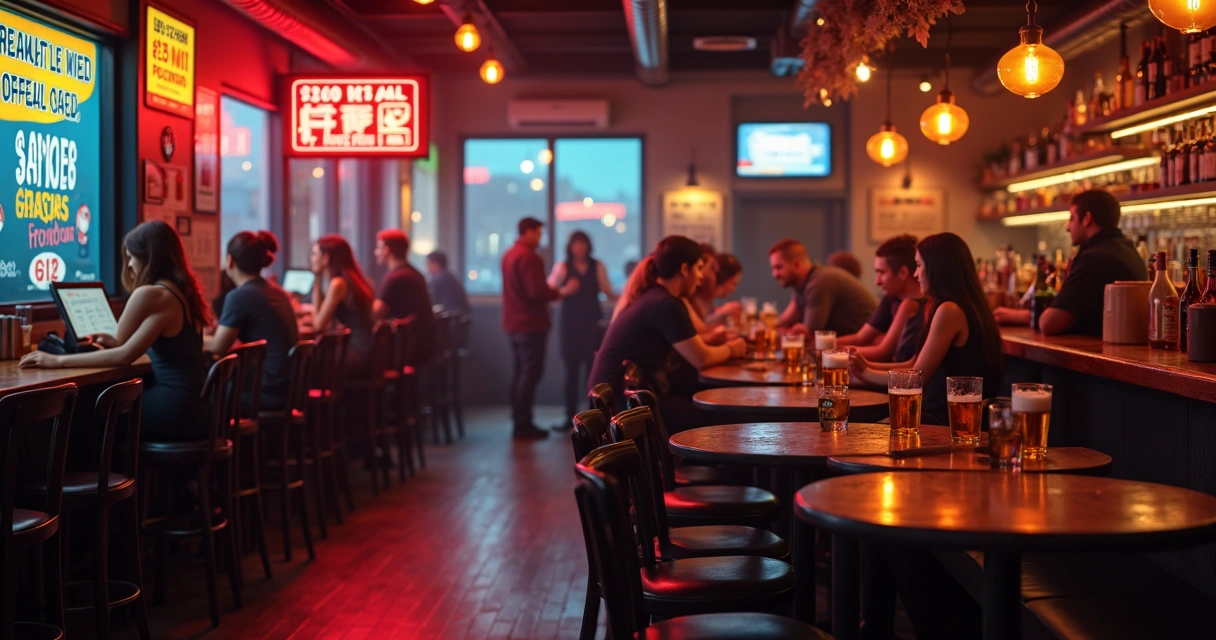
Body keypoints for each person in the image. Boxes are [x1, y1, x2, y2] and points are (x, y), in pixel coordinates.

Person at [20, 221, 211, 441]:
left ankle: (104, 476)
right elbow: (132, 344)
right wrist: (113, 342)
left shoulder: (152, 294)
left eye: (131, 257)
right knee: (97, 408)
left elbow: (124, 355)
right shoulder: (182, 292)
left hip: (176, 408)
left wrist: (56, 360)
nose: (129, 265)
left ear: (148, 257)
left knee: (86, 412)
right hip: (195, 406)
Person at [593, 236, 746, 431]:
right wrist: (733, 349)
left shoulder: (656, 297)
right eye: (699, 268)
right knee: (721, 417)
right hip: (625, 406)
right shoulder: (667, 304)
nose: (700, 278)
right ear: (684, 270)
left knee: (717, 403)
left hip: (626, 398)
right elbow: (702, 358)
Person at [849, 232, 1003, 425]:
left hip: (950, 422)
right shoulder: (964, 306)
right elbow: (913, 364)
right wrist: (866, 366)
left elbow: (916, 381)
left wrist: (865, 373)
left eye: (919, 265)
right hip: (948, 416)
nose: (915, 274)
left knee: (859, 430)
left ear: (937, 268)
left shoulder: (950, 310)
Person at [994, 190, 1147, 336]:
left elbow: (1049, 324)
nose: (1068, 227)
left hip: (1099, 356)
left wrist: (1015, 316)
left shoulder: (1093, 259)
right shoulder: (1128, 250)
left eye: (1072, 218)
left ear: (1087, 219)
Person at [502, 217, 579, 440]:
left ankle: (519, 420)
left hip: (513, 323)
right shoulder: (529, 257)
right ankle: (524, 424)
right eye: (538, 233)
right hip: (530, 324)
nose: (540, 238)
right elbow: (537, 292)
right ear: (528, 232)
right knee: (530, 373)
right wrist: (561, 292)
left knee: (519, 373)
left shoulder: (509, 255)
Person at [205, 230, 299, 410]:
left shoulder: (239, 296)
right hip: (289, 386)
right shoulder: (276, 291)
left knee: (208, 391)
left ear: (230, 260)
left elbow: (218, 347)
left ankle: (221, 439)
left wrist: (196, 340)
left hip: (268, 390)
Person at [547, 231, 617, 424]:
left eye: (583, 243)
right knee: (570, 372)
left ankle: (592, 417)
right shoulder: (562, 266)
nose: (579, 247)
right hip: (569, 325)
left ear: (588, 246)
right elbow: (550, 293)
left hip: (592, 323)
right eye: (576, 244)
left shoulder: (598, 265)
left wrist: (624, 302)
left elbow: (608, 290)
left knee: (593, 371)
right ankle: (569, 417)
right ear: (570, 247)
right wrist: (565, 290)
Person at [837, 235, 927, 362]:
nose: (877, 281)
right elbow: (861, 338)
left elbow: (882, 352)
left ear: (903, 273)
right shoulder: (890, 298)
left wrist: (831, 352)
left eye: (882, 273)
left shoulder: (914, 305)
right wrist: (825, 346)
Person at [770, 238, 878, 336]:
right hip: (848, 347)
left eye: (779, 267)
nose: (774, 274)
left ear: (797, 264)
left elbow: (809, 335)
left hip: (869, 346)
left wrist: (785, 332)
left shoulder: (819, 283)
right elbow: (785, 321)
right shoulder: (802, 284)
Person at [310, 235, 376, 376]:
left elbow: (318, 325)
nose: (312, 258)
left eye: (315, 254)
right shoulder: (353, 280)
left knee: (307, 363)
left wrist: (316, 279)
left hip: (358, 354)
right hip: (368, 351)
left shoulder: (338, 283)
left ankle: (325, 399)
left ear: (326, 258)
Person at [374, 229, 437, 364]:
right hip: (423, 343)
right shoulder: (413, 273)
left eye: (378, 248)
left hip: (409, 349)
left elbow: (375, 314)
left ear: (386, 250)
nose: (375, 252)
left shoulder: (396, 277)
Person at [688, 253, 743, 328]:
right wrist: (723, 312)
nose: (701, 275)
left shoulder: (708, 300)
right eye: (733, 283)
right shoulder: (691, 299)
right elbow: (698, 330)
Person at [426, 251, 470, 315]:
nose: (427, 267)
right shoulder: (448, 276)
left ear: (435, 264)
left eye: (428, 264)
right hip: (458, 316)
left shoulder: (439, 279)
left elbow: (428, 300)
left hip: (450, 318)